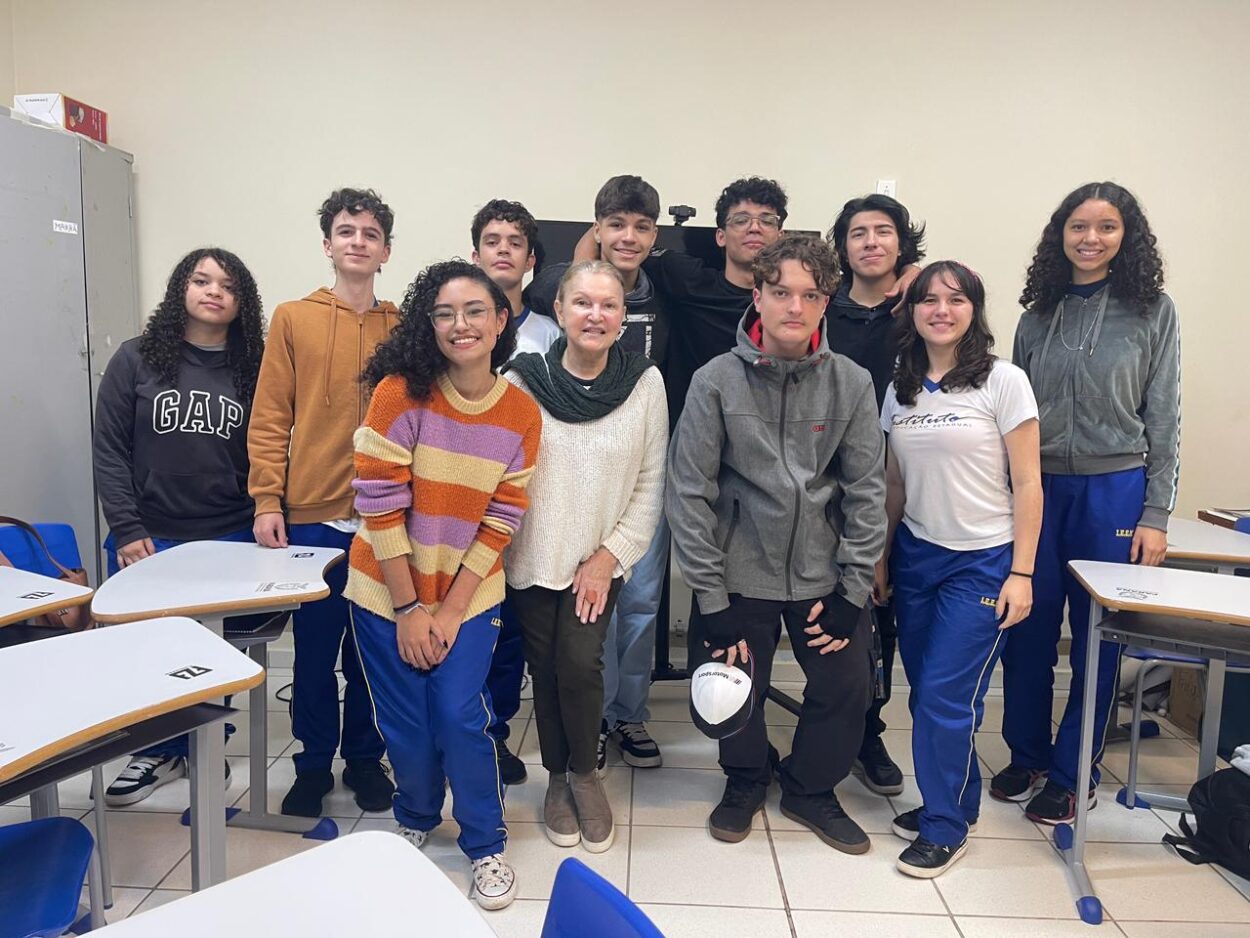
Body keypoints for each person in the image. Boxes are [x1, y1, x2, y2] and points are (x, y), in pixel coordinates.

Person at [667, 235, 886, 853]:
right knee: (725, 682)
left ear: (826, 303)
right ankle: (745, 777)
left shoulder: (852, 383)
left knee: (846, 684)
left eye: (810, 294)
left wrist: (853, 589)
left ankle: (810, 788)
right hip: (741, 573)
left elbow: (866, 492)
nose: (795, 305)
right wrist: (712, 599)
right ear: (757, 295)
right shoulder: (715, 381)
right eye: (781, 291)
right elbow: (689, 492)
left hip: (823, 575)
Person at [345, 259, 541, 911]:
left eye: (475, 311)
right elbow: (378, 505)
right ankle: (418, 815)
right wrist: (408, 609)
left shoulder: (519, 412)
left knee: (460, 716)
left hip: (469, 595)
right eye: (445, 313)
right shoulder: (400, 392)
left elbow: (502, 518)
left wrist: (450, 611)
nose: (461, 324)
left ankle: (484, 844)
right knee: (404, 724)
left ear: (500, 319)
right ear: (429, 324)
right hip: (384, 592)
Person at [994, 181, 1181, 825]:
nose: (1090, 238)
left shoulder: (1153, 310)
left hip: (1116, 490)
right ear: (1060, 234)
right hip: (1039, 489)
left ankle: (1074, 771)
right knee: (1027, 628)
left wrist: (1155, 515)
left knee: (1098, 637)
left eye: (1105, 226)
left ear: (1126, 235)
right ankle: (1027, 754)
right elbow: (1009, 421)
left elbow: (1165, 418)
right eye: (1078, 226)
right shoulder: (1036, 315)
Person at [875, 261, 1042, 877]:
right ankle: (960, 801)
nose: (940, 310)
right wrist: (882, 554)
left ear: (974, 309)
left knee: (946, 695)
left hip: (985, 561)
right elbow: (894, 482)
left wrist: (1021, 573)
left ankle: (943, 824)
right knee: (926, 694)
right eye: (928, 300)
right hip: (919, 555)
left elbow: (1028, 482)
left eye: (955, 299)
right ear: (912, 311)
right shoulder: (902, 387)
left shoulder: (1004, 381)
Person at [504, 260, 667, 853]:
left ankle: (585, 775)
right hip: (530, 557)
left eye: (608, 305)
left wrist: (608, 557)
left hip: (600, 561)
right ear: (561, 312)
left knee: (580, 664)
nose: (595, 315)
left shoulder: (646, 384)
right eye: (583, 303)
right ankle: (556, 777)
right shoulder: (522, 380)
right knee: (544, 672)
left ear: (623, 318)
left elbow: (651, 483)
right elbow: (504, 475)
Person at [94, 247, 265, 805]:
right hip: (150, 534)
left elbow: (271, 449)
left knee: (214, 651)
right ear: (181, 291)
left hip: (231, 535)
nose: (213, 291)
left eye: (228, 285)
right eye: (201, 280)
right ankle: (162, 749)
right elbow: (110, 451)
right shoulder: (136, 358)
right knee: (152, 653)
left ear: (243, 303)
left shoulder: (255, 367)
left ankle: (205, 743)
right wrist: (124, 527)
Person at [248, 188, 395, 817]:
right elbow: (270, 415)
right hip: (311, 516)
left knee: (369, 651)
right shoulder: (291, 317)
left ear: (385, 250)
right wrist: (266, 499)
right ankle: (311, 764)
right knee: (312, 654)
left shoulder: (401, 326)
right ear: (328, 243)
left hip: (385, 520)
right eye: (346, 231)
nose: (357, 240)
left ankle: (364, 758)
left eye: (369, 232)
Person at [531, 176, 670, 772]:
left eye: (641, 226)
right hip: (573, 489)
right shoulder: (558, 290)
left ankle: (627, 713)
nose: (628, 236)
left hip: (639, 463)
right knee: (589, 626)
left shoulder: (672, 289)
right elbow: (542, 288)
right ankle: (590, 723)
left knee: (638, 605)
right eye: (615, 224)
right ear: (597, 229)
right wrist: (588, 258)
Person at [826, 193, 927, 797]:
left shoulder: (919, 307)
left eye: (882, 231)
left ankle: (869, 730)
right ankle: (831, 724)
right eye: (857, 233)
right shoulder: (824, 311)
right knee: (841, 605)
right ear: (843, 246)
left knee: (880, 608)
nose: (870, 242)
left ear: (901, 242)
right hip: (826, 478)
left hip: (899, 477)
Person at [471, 198, 558, 786]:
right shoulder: (454, 319)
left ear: (531, 258)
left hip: (526, 502)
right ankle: (455, 733)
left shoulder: (552, 330)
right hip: (457, 504)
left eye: (515, 242)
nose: (503, 250)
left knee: (507, 636)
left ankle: (493, 735)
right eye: (492, 240)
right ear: (474, 252)